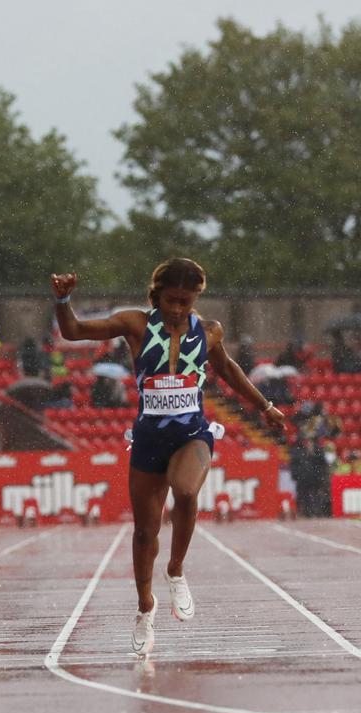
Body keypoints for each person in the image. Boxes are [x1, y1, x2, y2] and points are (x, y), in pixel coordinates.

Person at [50, 260, 286, 657]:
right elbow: (73, 331)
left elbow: (226, 369)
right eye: (171, 300)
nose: (177, 308)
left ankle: (175, 569)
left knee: (186, 491)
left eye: (186, 301)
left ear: (196, 298)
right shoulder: (136, 325)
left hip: (192, 432)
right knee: (144, 532)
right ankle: (145, 608)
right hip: (148, 438)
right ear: (156, 295)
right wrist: (63, 300)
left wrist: (264, 406)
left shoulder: (208, 332)